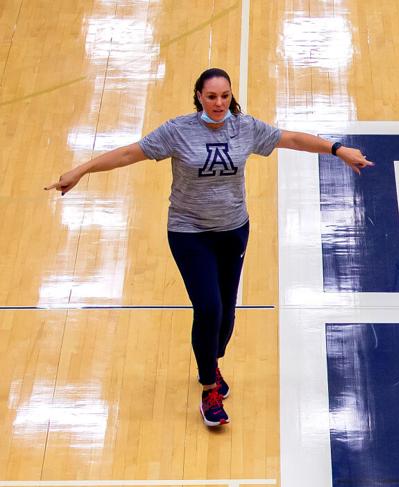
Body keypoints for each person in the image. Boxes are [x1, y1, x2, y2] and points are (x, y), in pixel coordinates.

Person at [45, 67, 373, 427]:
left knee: (226, 316)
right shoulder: (178, 131)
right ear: (199, 96)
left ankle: (211, 362)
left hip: (233, 231)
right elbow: (127, 154)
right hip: (189, 233)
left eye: (225, 96)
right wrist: (82, 170)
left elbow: (291, 139)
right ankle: (209, 389)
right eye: (212, 96)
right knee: (209, 309)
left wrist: (338, 150)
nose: (219, 103)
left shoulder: (244, 128)